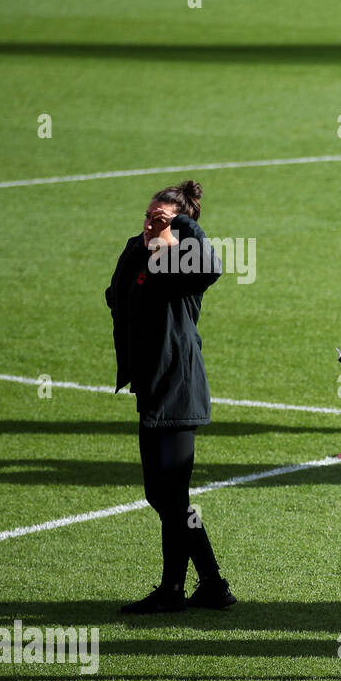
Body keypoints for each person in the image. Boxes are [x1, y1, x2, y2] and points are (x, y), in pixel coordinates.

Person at [107, 181, 235, 614]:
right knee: (162, 496)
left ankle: (175, 590)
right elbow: (116, 294)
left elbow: (212, 265)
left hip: (179, 393)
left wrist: (179, 225)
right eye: (147, 216)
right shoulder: (142, 255)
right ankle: (211, 586)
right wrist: (144, 242)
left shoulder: (184, 266)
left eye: (158, 220)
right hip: (152, 391)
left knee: (171, 497)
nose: (148, 224)